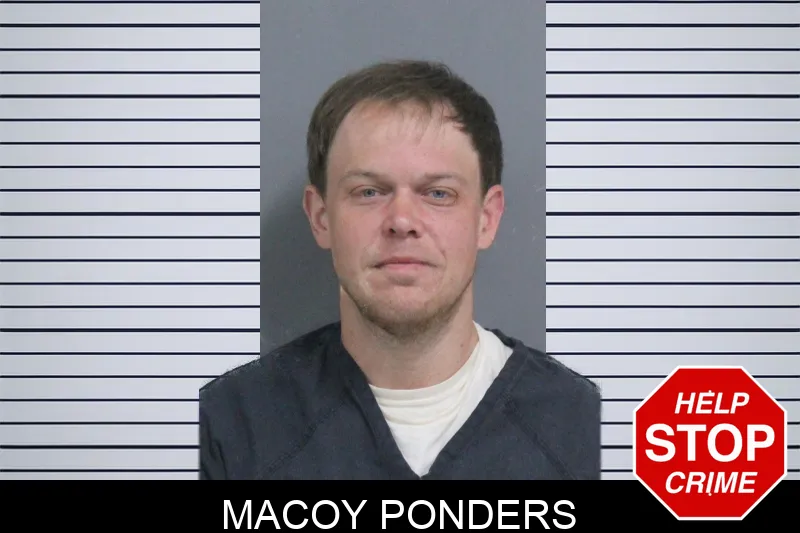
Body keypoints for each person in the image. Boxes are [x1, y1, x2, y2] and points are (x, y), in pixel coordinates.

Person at [199, 59, 601, 480]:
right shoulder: (228, 430)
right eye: (369, 192)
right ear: (320, 217)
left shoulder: (585, 430)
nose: (402, 220)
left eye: (438, 193)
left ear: (486, 218)